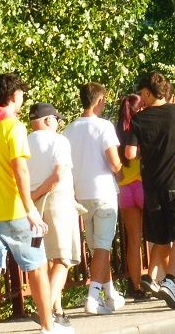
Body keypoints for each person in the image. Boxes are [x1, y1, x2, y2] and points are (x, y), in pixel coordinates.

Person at [0, 73, 72, 334]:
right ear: (14, 96)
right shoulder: (13, 127)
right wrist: (30, 210)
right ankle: (48, 326)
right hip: (15, 213)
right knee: (36, 267)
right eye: (21, 93)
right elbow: (20, 170)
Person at [127, 72, 175, 310]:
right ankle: (170, 280)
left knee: (160, 237)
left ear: (147, 92)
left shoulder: (139, 120)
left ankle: (152, 277)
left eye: (141, 94)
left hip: (152, 187)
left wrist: (147, 149)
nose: (140, 98)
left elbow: (130, 154)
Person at [63, 82, 124, 315]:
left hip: (80, 194)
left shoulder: (68, 130)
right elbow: (114, 162)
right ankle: (93, 296)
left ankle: (110, 293)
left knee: (98, 247)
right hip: (104, 192)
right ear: (99, 101)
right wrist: (122, 174)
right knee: (102, 247)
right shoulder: (104, 126)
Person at [28, 102, 80, 327]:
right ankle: (46, 310)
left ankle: (57, 310)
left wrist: (32, 197)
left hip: (33, 208)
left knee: (45, 259)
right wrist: (40, 193)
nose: (58, 123)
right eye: (57, 119)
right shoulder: (58, 141)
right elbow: (58, 175)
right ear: (49, 120)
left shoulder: (23, 142)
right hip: (58, 200)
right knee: (62, 259)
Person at [115, 94, 149, 300]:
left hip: (125, 190)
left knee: (133, 240)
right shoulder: (141, 127)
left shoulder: (116, 130)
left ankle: (136, 287)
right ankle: (158, 280)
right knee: (156, 237)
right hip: (143, 185)